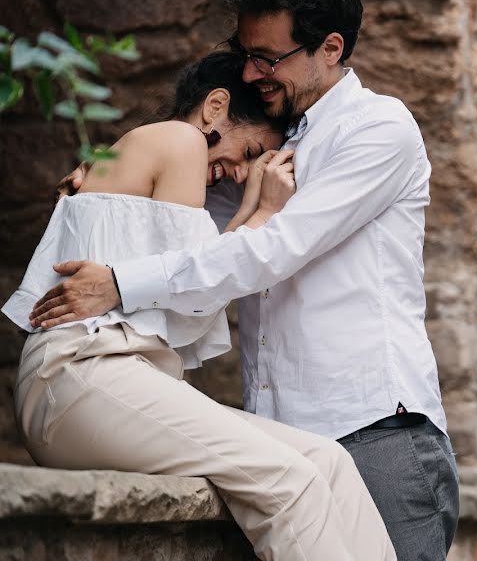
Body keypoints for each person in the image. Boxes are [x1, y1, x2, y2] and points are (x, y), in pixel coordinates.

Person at [37, 0, 460, 558]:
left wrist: (118, 284)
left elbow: (270, 250)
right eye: (243, 51)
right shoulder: (270, 151)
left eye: (266, 57)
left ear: (330, 48)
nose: (248, 71)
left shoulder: (378, 130)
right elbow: (191, 237)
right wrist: (110, 174)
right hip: (286, 445)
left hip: (375, 433)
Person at [4, 51, 396, 561]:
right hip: (80, 374)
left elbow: (187, 289)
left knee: (328, 462)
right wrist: (265, 212)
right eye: (250, 149)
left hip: (110, 380)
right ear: (215, 106)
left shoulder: (154, 151)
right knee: (288, 479)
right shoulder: (181, 140)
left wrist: (254, 212)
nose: (237, 174)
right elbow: (194, 294)